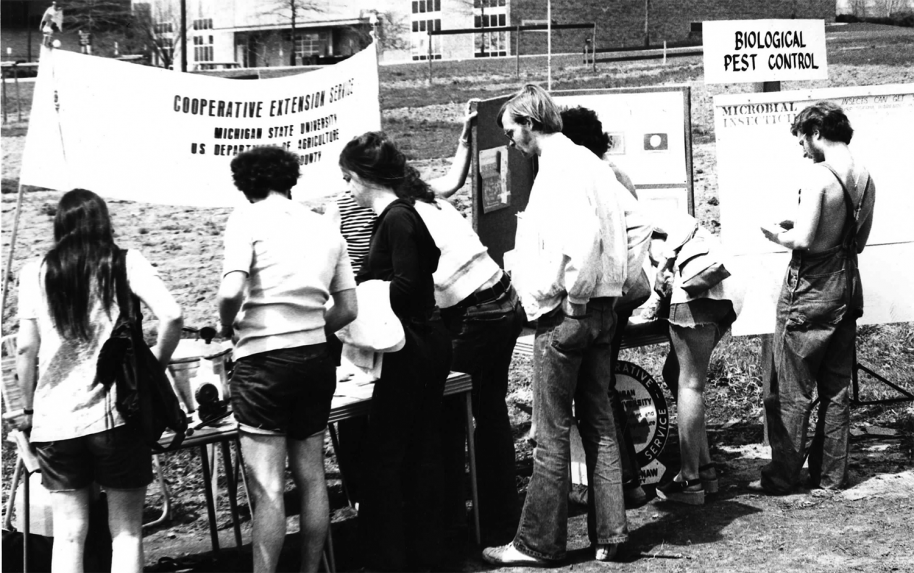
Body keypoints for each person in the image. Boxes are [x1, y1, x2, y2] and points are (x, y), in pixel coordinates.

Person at [483, 84, 629, 566]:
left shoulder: (558, 168)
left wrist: (575, 300)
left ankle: (537, 544)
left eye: (512, 132)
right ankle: (611, 534)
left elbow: (583, 237)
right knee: (600, 423)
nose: (512, 142)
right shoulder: (591, 163)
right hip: (603, 310)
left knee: (551, 433)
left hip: (569, 312)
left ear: (529, 122)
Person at [16, 188, 183, 573]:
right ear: (104, 222)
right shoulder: (124, 262)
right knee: (125, 532)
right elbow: (172, 314)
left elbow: (25, 349)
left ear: (60, 225)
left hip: (54, 420)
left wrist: (27, 409)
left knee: (69, 533)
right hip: (116, 416)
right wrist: (154, 366)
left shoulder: (35, 271)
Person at [218, 146, 358, 573]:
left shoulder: (246, 219)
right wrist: (311, 328)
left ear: (245, 187)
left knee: (269, 488)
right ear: (290, 180)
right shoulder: (325, 227)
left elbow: (230, 291)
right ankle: (311, 569)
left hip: (262, 361)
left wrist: (229, 327)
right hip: (314, 356)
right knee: (313, 477)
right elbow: (348, 308)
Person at [339, 132, 453, 572]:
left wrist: (362, 292)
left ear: (364, 178)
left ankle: (390, 554)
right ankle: (427, 549)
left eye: (349, 179)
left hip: (412, 348)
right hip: (425, 344)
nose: (348, 189)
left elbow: (408, 287)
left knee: (387, 455)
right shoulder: (404, 216)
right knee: (421, 448)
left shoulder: (395, 219)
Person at [756, 101, 875, 494]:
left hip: (809, 289)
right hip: (845, 287)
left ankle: (782, 476)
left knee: (790, 386)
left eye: (803, 140)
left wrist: (776, 234)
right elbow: (856, 241)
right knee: (837, 387)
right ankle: (830, 477)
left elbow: (804, 239)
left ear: (817, 133)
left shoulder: (818, 176)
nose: (803, 148)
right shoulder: (865, 177)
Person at [560, 106, 653, 508]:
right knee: (602, 388)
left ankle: (623, 483)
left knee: (599, 391)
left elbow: (630, 231)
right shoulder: (612, 171)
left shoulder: (596, 176)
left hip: (607, 297)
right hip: (617, 294)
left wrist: (612, 286)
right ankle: (621, 482)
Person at [648, 209, 743, 505]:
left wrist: (662, 265)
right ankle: (706, 469)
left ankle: (690, 480)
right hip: (723, 297)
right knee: (674, 373)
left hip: (697, 296)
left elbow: (682, 221)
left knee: (689, 385)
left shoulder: (640, 215)